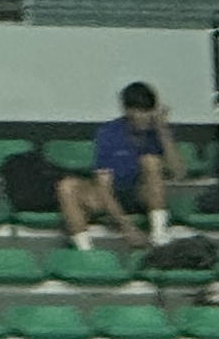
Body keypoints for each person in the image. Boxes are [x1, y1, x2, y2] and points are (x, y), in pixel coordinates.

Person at [62, 82, 178, 251]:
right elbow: (103, 187)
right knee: (67, 187)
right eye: (139, 111)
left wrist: (163, 132)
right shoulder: (109, 133)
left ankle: (159, 234)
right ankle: (85, 251)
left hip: (140, 195)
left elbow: (178, 173)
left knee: (151, 161)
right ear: (127, 110)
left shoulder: (157, 132)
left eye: (147, 111)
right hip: (111, 197)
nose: (144, 117)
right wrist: (127, 227)